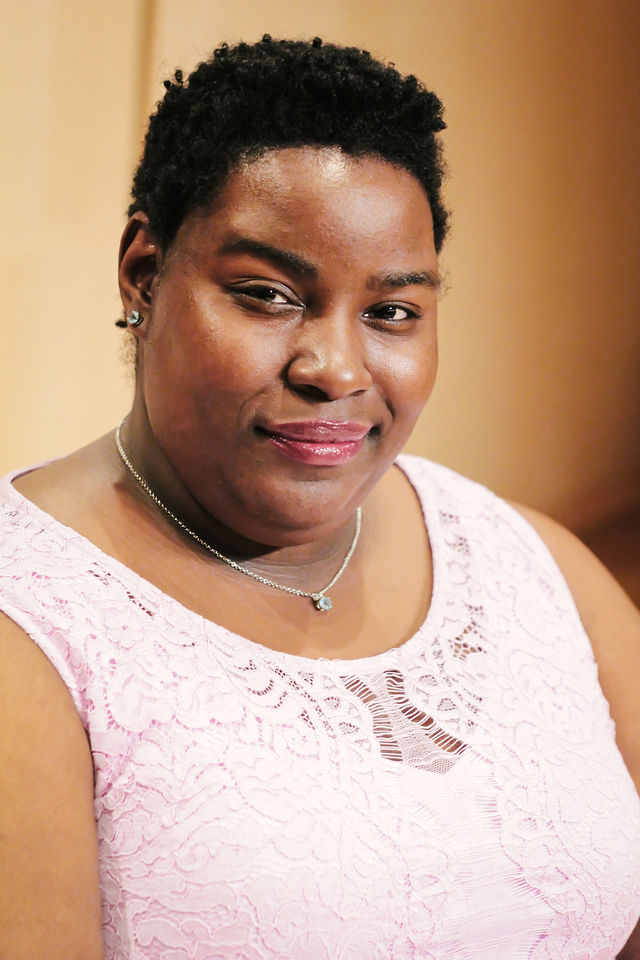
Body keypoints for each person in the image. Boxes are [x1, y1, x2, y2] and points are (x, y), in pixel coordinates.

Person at [0, 36, 638, 960]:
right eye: (268, 294)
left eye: (391, 313)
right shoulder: (31, 624)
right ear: (144, 271)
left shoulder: (524, 563)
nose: (335, 369)